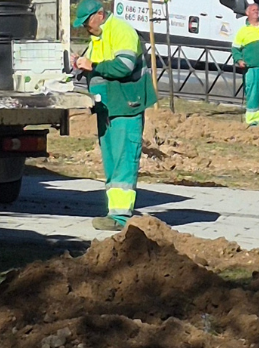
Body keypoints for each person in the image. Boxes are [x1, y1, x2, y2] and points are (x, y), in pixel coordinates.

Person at [73, 0, 157, 232]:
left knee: (123, 160)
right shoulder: (96, 38)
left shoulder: (121, 31)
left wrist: (93, 66)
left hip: (126, 106)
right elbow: (93, 65)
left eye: (87, 22)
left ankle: (120, 217)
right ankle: (114, 213)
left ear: (100, 14)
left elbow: (124, 66)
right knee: (112, 161)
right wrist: (80, 65)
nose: (85, 28)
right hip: (108, 108)